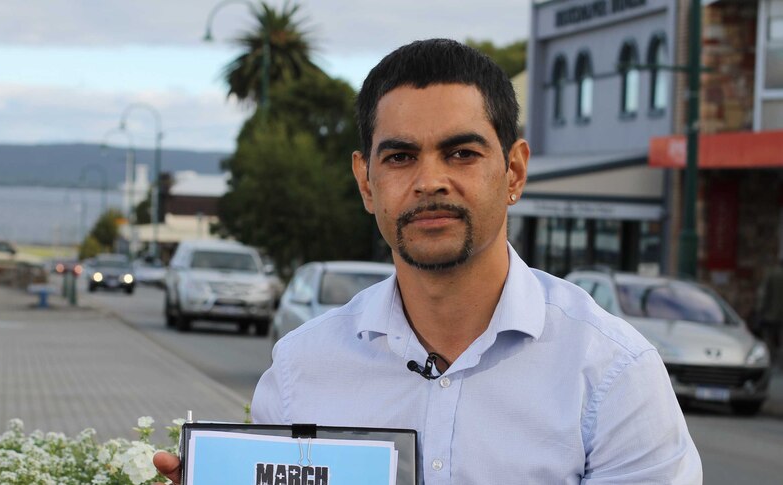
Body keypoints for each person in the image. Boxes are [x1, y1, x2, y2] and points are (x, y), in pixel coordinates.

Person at [154, 38, 701, 484]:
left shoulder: (611, 374)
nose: (430, 180)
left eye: (462, 153)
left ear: (513, 172)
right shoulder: (300, 372)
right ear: (366, 182)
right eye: (400, 156)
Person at [757, 258, 783, 364]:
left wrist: (760, 310)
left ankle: (770, 361)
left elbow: (764, 294)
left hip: (771, 314)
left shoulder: (772, 275)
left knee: (769, 340)